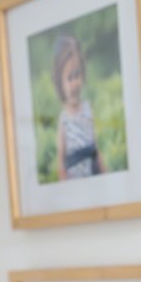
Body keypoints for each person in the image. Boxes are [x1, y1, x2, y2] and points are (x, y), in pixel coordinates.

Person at [52, 34, 106, 180]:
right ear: (60, 83)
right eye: (69, 78)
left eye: (77, 75)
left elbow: (96, 147)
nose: (75, 83)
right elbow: (60, 161)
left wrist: (105, 173)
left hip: (92, 175)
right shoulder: (63, 119)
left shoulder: (88, 109)